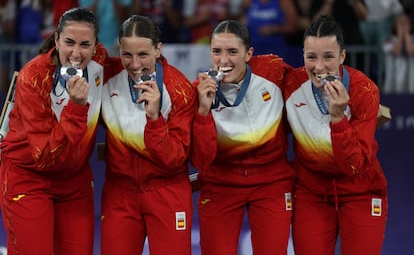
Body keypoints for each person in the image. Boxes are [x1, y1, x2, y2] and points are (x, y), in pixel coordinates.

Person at [0, 7, 107, 254]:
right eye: (69, 42)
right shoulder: (33, 77)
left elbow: (130, 71)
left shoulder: (99, 60)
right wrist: (77, 108)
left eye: (85, 45)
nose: (76, 54)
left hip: (75, 181)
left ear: (95, 46)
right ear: (56, 39)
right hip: (29, 178)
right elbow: (46, 156)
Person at [283, 15, 388, 255]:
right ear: (303, 56)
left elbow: (355, 165)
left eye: (328, 57)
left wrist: (338, 117)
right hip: (311, 193)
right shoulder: (291, 84)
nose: (319, 67)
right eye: (311, 57)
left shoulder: (364, 90)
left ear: (342, 56)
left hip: (361, 190)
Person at [190, 19, 296, 255]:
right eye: (216, 51)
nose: (223, 60)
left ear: (249, 53)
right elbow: (200, 159)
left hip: (271, 183)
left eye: (232, 52)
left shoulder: (273, 71)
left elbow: (305, 93)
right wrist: (203, 112)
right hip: (220, 184)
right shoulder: (199, 90)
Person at [100, 14, 196, 255]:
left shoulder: (179, 89)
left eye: (143, 54)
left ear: (158, 49)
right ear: (118, 50)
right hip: (119, 193)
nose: (134, 64)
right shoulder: (106, 77)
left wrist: (155, 120)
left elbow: (174, 159)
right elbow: (74, 50)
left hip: (167, 191)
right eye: (127, 55)